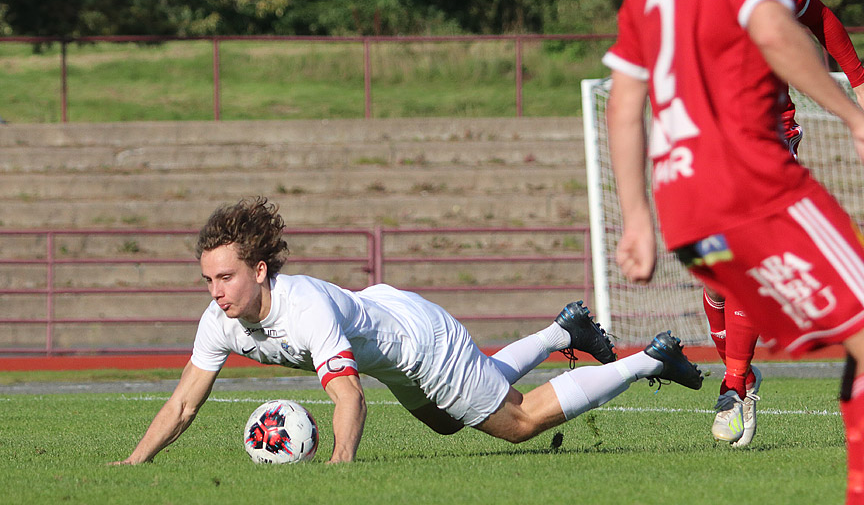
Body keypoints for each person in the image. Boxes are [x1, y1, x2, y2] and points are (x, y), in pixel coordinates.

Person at [602, 0, 864, 503]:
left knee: (730, 290)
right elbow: (773, 26)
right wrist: (853, 116)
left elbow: (625, 97)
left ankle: (735, 385)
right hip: (752, 170)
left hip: (681, 190)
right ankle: (741, 388)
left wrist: (636, 216)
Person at [112, 197, 703, 465]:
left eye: (226, 277)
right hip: (390, 329)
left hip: (420, 343)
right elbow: (183, 403)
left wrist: (338, 470)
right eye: (208, 280)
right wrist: (136, 464)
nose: (215, 291)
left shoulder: (306, 309)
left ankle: (650, 359)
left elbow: (349, 396)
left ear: (260, 270)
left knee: (518, 423)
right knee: (450, 422)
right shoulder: (220, 322)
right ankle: (561, 331)